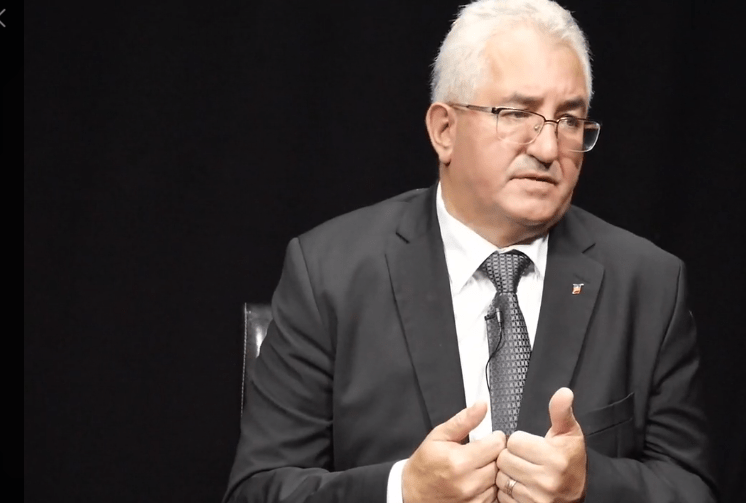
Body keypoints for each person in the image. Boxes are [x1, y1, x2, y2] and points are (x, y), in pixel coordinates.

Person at [224, 0, 716, 502]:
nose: (548, 149)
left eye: (569, 121)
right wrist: (403, 492)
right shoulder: (331, 273)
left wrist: (589, 485)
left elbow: (692, 489)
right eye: (517, 114)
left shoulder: (648, 283)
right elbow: (258, 490)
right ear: (445, 130)